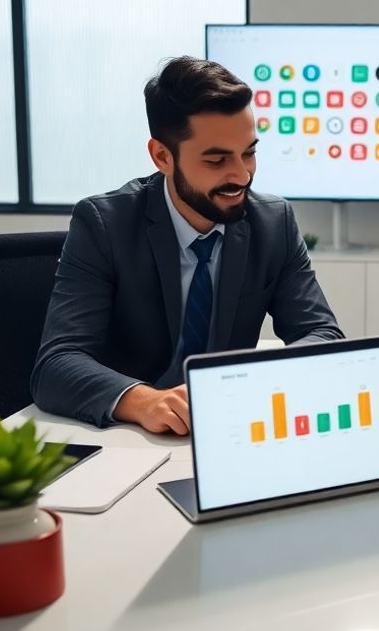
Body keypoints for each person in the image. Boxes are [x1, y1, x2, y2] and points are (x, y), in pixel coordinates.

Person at [31, 56, 343, 434]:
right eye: (217, 160)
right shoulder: (104, 224)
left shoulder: (273, 222)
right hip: (133, 435)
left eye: (249, 152)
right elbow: (56, 364)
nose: (242, 175)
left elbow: (322, 335)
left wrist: (259, 386)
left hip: (229, 429)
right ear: (162, 156)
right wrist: (146, 400)